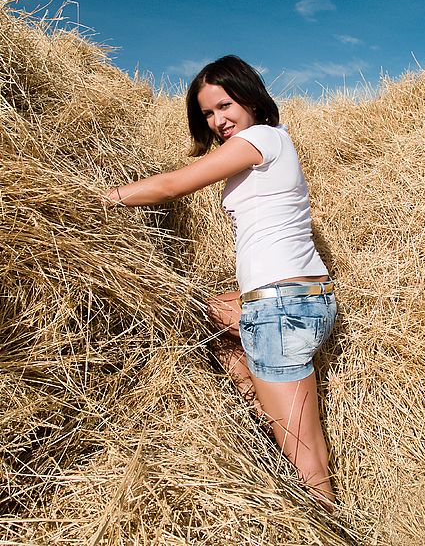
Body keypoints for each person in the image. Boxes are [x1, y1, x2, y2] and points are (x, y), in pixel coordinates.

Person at [103, 55, 338, 508]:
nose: (217, 120)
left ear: (250, 97)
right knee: (210, 313)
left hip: (282, 309)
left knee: (307, 459)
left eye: (224, 105)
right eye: (208, 113)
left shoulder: (260, 137)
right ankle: (264, 424)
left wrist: (99, 198)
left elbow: (174, 184)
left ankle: (326, 524)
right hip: (295, 300)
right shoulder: (271, 146)